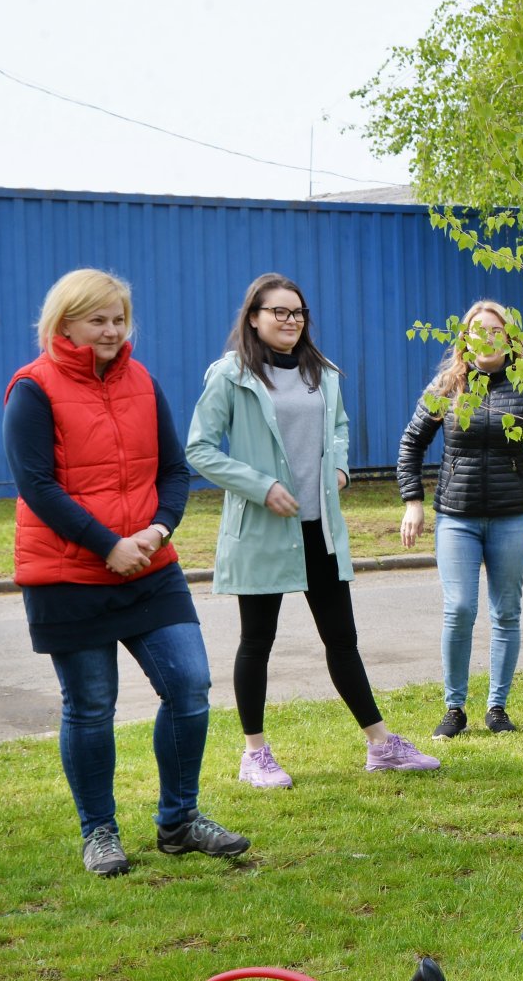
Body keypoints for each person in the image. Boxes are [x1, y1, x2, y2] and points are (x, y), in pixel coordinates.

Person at [3, 269, 249, 876]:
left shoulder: (143, 380)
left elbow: (173, 469)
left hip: (148, 565)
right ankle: (100, 833)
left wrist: (157, 531)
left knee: (189, 687)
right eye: (98, 320)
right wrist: (106, 544)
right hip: (68, 574)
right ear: (64, 323)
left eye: (119, 319)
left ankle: (180, 822)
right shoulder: (32, 388)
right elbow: (35, 485)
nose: (112, 331)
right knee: (91, 706)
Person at [187, 272, 440, 786]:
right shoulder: (230, 375)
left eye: (297, 312)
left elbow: (340, 427)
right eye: (279, 312)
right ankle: (254, 755)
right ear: (253, 318)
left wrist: (342, 468)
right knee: (256, 640)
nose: (290, 321)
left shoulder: (321, 373)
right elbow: (200, 449)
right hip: (261, 528)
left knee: (342, 639)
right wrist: (259, 486)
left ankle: (381, 745)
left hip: (319, 528)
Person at [397, 301, 523, 738]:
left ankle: (497, 707)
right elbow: (410, 443)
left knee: (506, 611)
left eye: (496, 331)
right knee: (458, 609)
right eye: (479, 331)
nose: (487, 339)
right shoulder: (448, 385)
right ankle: (454, 709)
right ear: (465, 337)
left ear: (510, 338)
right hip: (456, 517)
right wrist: (413, 501)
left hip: (512, 517)